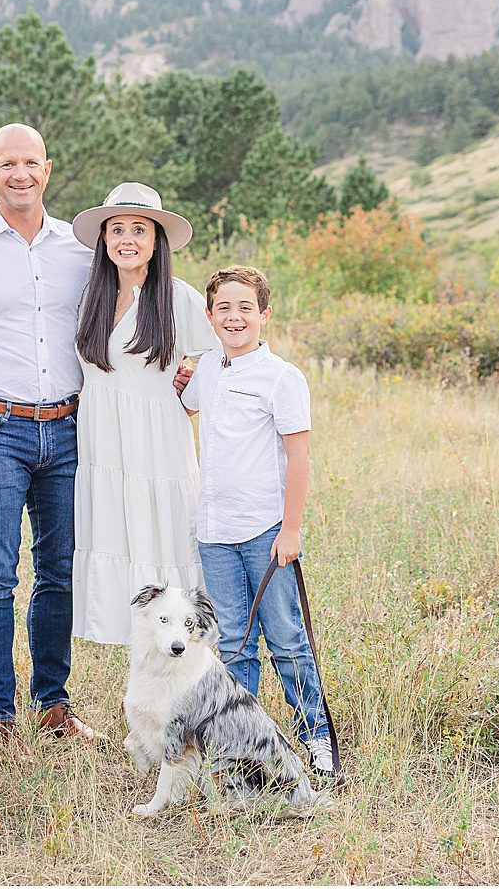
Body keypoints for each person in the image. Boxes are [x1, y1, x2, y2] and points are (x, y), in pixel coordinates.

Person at [0, 123, 101, 745]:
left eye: (30, 163)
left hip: (66, 427)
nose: (20, 174)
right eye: (7, 164)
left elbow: (125, 312)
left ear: (48, 169)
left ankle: (54, 704)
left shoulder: (79, 250)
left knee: (60, 569)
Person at [179, 264, 335, 777]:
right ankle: (244, 747)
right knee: (233, 645)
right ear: (210, 315)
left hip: (266, 531)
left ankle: (316, 739)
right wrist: (181, 376)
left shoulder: (282, 378)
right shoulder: (206, 371)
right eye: (223, 307)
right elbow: (185, 408)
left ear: (264, 314)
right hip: (215, 532)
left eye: (246, 307)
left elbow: (299, 457)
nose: (234, 316)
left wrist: (290, 530)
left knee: (287, 639)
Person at [69, 183, 216, 646]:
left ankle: (184, 670)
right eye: (116, 229)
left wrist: (190, 383)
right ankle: (138, 671)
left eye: (139, 229)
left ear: (157, 241)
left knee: (163, 545)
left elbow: (220, 363)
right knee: (119, 545)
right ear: (104, 239)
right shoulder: (90, 296)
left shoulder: (179, 297)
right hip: (105, 448)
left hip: (158, 447)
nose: (126, 239)